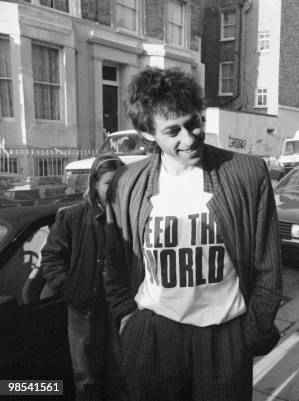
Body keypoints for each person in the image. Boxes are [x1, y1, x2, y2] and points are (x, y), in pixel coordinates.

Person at [103, 67, 282, 401]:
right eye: (173, 131)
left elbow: (269, 265)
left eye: (194, 122)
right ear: (147, 132)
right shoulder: (127, 183)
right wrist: (128, 319)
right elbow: (115, 263)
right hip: (154, 335)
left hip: (224, 336)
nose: (189, 137)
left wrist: (252, 331)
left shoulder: (246, 173)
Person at [41, 154, 127, 401]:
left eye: (121, 183)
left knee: (120, 376)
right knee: (86, 379)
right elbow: (51, 258)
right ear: (95, 184)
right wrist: (70, 290)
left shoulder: (129, 216)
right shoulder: (73, 217)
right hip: (84, 310)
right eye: (110, 183)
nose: (116, 189)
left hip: (120, 310)